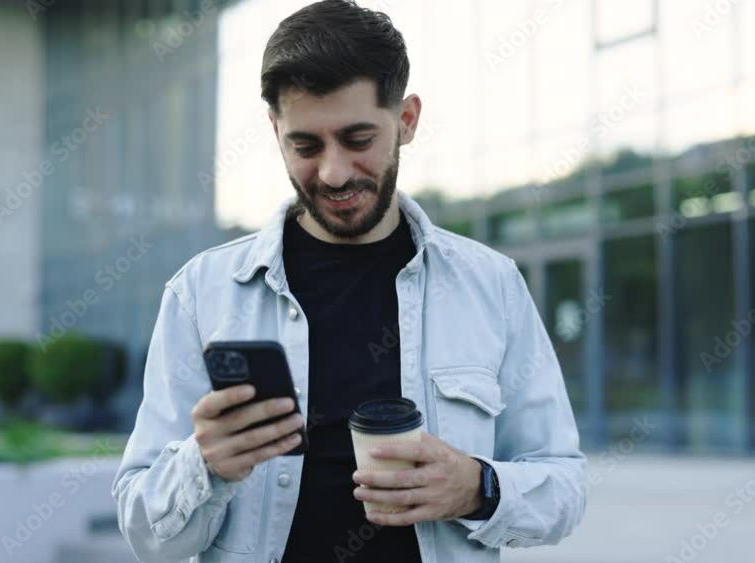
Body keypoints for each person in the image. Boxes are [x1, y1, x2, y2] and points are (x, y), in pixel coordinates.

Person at [111, 1, 586, 561]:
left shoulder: (492, 285)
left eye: (358, 139)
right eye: (305, 145)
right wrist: (204, 465)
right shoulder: (201, 294)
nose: (333, 172)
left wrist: (475, 487)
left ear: (406, 120)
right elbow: (145, 534)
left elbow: (563, 487)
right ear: (274, 130)